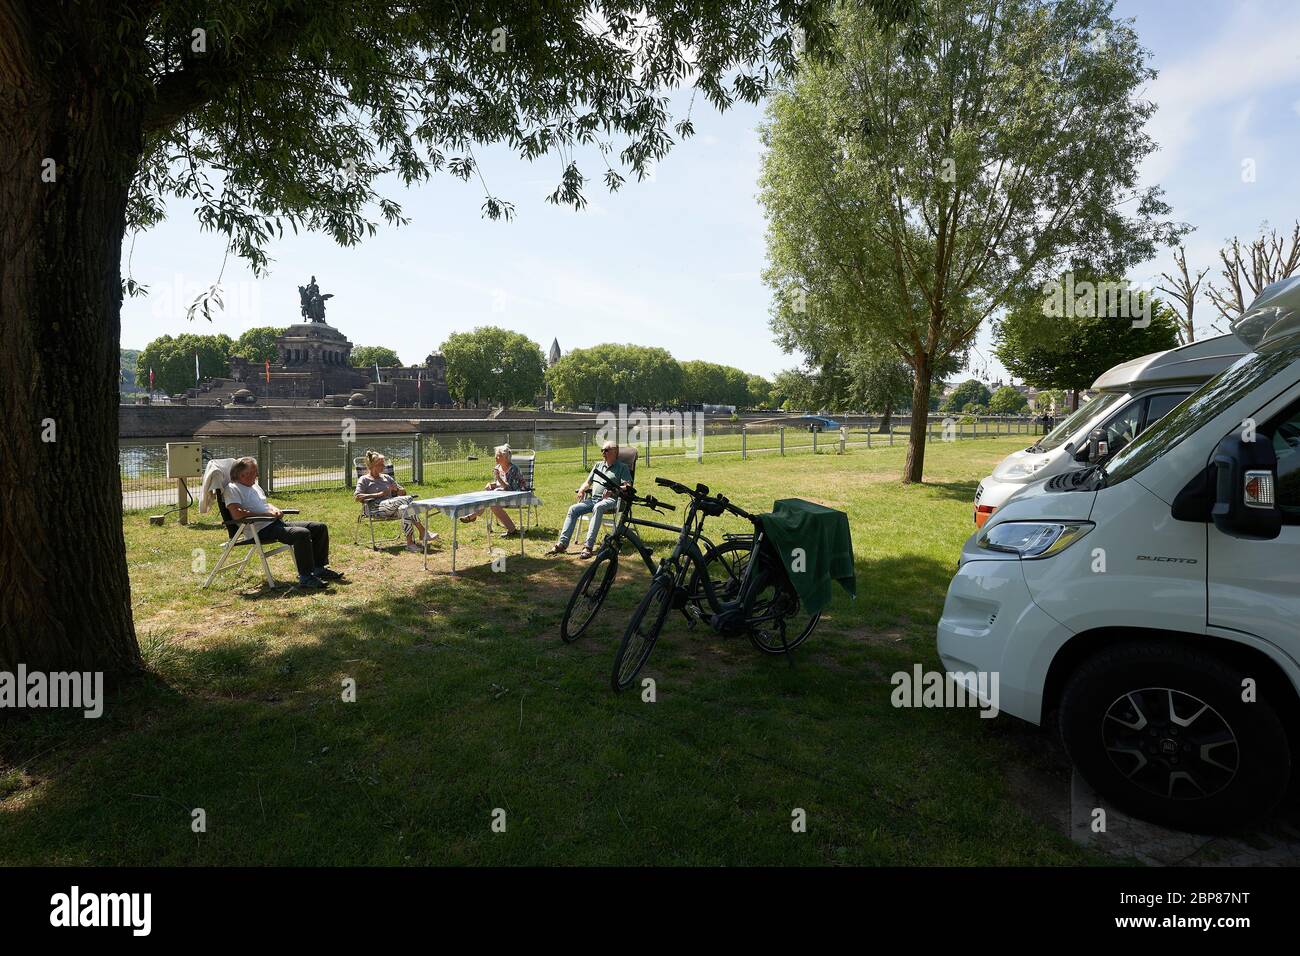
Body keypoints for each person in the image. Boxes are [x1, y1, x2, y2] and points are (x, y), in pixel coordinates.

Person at [224, 457, 343, 590]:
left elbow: (265, 504)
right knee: (301, 534)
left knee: (319, 527)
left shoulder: (254, 487)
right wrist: (266, 515)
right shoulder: (232, 489)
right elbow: (237, 514)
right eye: (254, 472)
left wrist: (275, 510)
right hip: (259, 529)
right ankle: (306, 577)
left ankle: (319, 568)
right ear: (242, 475)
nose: (257, 475)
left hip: (275, 523)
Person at [546, 440, 631, 559]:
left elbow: (628, 486)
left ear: (615, 452)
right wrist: (581, 490)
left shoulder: (622, 467)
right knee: (573, 509)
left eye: (606, 450)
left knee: (598, 507)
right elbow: (588, 482)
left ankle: (588, 546)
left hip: (613, 500)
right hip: (593, 499)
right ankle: (562, 544)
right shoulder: (598, 465)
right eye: (602, 450)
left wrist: (614, 490)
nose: (603, 453)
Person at [354, 450, 436, 552]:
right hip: (374, 508)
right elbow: (357, 497)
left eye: (383, 464)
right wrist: (378, 494)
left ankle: (410, 544)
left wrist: (396, 490)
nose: (384, 466)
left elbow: (403, 492)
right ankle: (423, 531)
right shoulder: (364, 479)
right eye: (381, 464)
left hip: (391, 506)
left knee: (406, 508)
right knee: (408, 499)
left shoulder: (387, 477)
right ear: (373, 465)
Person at [458, 444, 525, 537]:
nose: (495, 457)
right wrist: (491, 484)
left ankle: (473, 515)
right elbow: (498, 484)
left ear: (505, 457)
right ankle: (512, 530)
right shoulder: (498, 467)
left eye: (498, 455)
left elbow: (510, 489)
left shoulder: (513, 469)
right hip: (501, 495)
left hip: (515, 496)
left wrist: (498, 479)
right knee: (492, 504)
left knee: (491, 501)